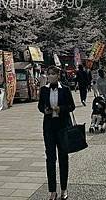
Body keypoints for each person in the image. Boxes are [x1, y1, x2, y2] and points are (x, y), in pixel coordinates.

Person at [38, 66, 75, 200]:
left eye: (54, 74)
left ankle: (64, 188)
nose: (51, 76)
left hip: (63, 127)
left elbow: (71, 106)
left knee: (63, 158)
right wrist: (45, 109)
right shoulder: (43, 90)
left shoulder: (64, 89)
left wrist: (60, 108)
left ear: (58, 75)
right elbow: (40, 106)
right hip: (49, 127)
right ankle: (52, 190)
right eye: (49, 74)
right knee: (50, 159)